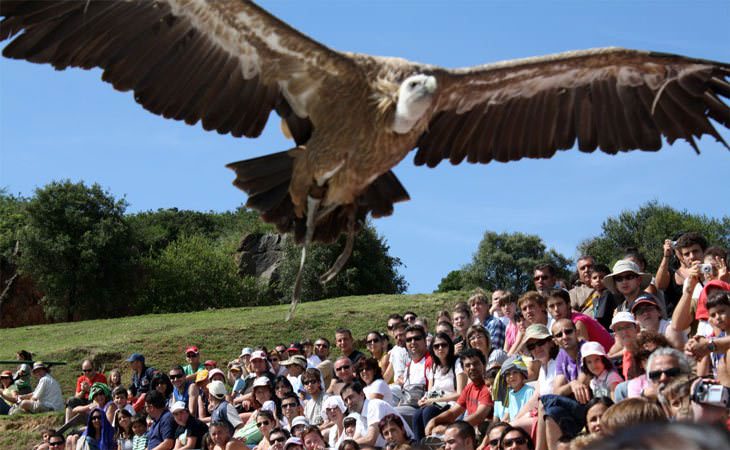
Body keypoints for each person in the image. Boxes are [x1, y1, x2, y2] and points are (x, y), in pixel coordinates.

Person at [425, 348, 493, 437]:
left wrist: (448, 428)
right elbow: (453, 412)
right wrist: (434, 420)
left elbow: (479, 416)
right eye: (468, 365)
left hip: (484, 434)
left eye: (476, 363)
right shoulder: (469, 387)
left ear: (484, 365)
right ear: (464, 370)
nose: (472, 367)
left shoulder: (488, 387)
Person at [412, 332, 466, 442]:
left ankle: (432, 443)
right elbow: (431, 391)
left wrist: (433, 400)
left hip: (451, 404)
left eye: (444, 345)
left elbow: (460, 394)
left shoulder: (457, 363)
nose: (440, 348)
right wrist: (424, 399)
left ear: (449, 346)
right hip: (436, 401)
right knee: (417, 415)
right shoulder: (434, 366)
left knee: (428, 411)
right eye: (436, 346)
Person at [339, 381, 412, 448]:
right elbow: (355, 439)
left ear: (361, 394)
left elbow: (371, 439)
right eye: (345, 400)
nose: (349, 402)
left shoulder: (374, 405)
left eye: (351, 397)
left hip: (405, 446)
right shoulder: (359, 416)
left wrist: (347, 446)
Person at [544, 289, 614, 352]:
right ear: (547, 310)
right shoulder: (560, 323)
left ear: (568, 304)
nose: (556, 309)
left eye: (559, 304)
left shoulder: (578, 322)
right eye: (551, 306)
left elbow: (583, 351)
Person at [395, 325, 431, 424]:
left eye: (417, 338)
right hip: (406, 406)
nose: (413, 342)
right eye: (409, 340)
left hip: (421, 408)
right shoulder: (409, 365)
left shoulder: (430, 361)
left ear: (424, 340)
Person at [491, 356, 533, 423]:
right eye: (507, 374)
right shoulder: (510, 394)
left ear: (522, 374)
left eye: (515, 372)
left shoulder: (529, 392)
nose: (511, 376)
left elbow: (530, 416)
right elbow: (506, 417)